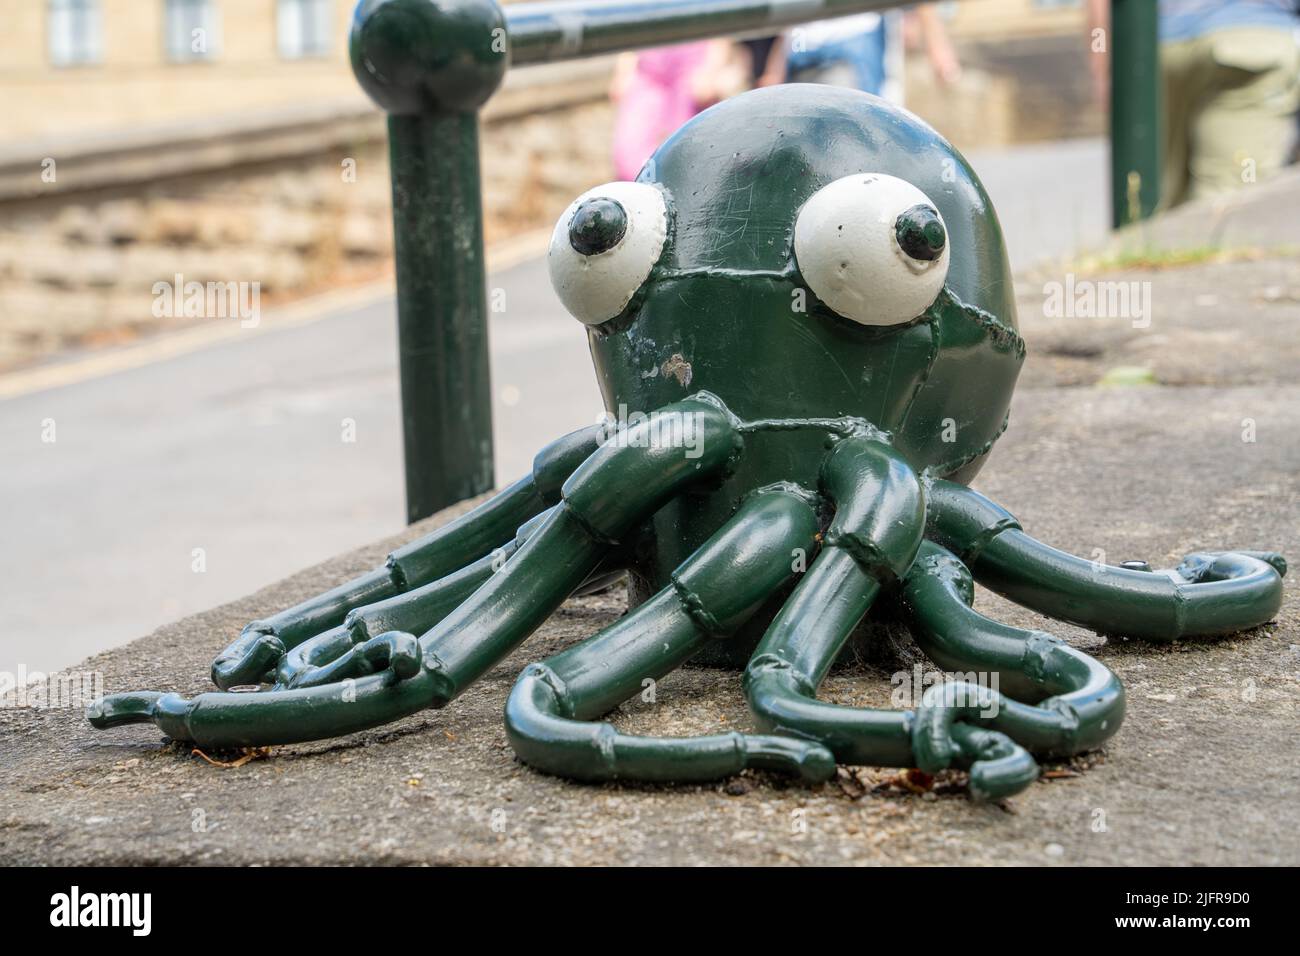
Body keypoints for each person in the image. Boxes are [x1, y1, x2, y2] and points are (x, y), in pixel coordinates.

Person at [1088, 0, 1300, 208]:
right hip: (1252, 39)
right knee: (1232, 201)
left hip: (1154, 46)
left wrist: (1104, 68)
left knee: (1152, 202)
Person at [609, 41, 750, 180]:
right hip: (650, 68)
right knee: (628, 147)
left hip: (692, 67)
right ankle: (639, 188)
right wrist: (624, 70)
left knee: (685, 146)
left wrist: (711, 70)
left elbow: (719, 34)